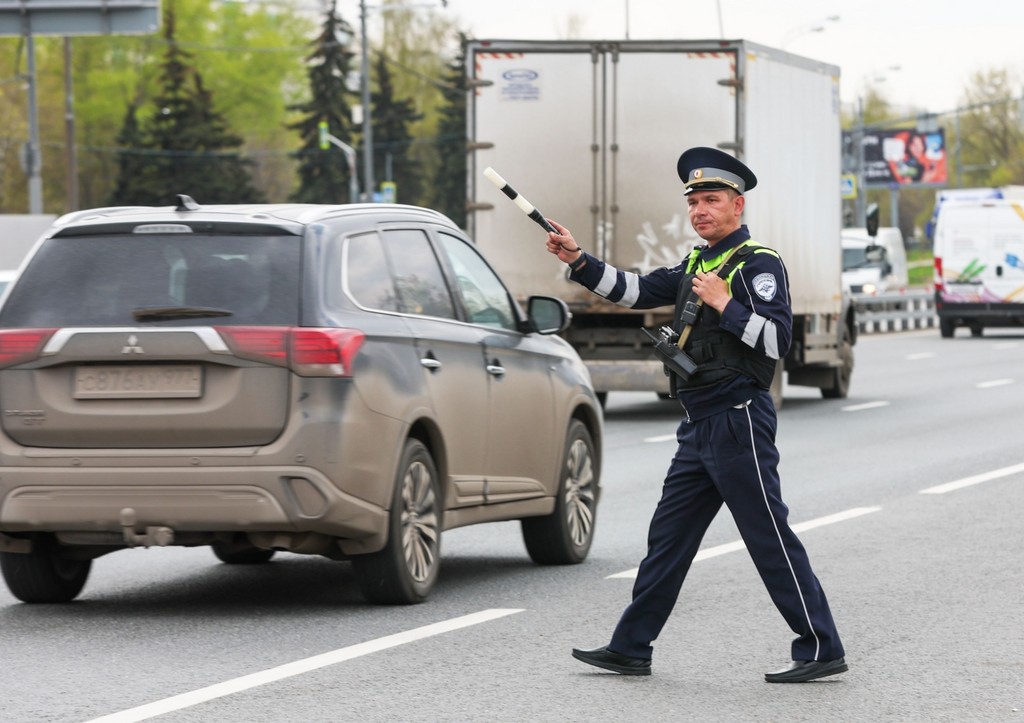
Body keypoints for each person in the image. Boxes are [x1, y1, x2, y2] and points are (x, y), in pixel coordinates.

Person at [548, 147, 847, 683]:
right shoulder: (694, 263)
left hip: (738, 419)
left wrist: (726, 305)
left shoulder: (758, 263)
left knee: (767, 535)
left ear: (738, 205)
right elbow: (634, 290)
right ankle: (631, 646)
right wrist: (577, 259)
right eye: (694, 202)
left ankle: (821, 647)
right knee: (668, 539)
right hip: (700, 424)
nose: (700, 210)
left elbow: (778, 341)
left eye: (712, 200)